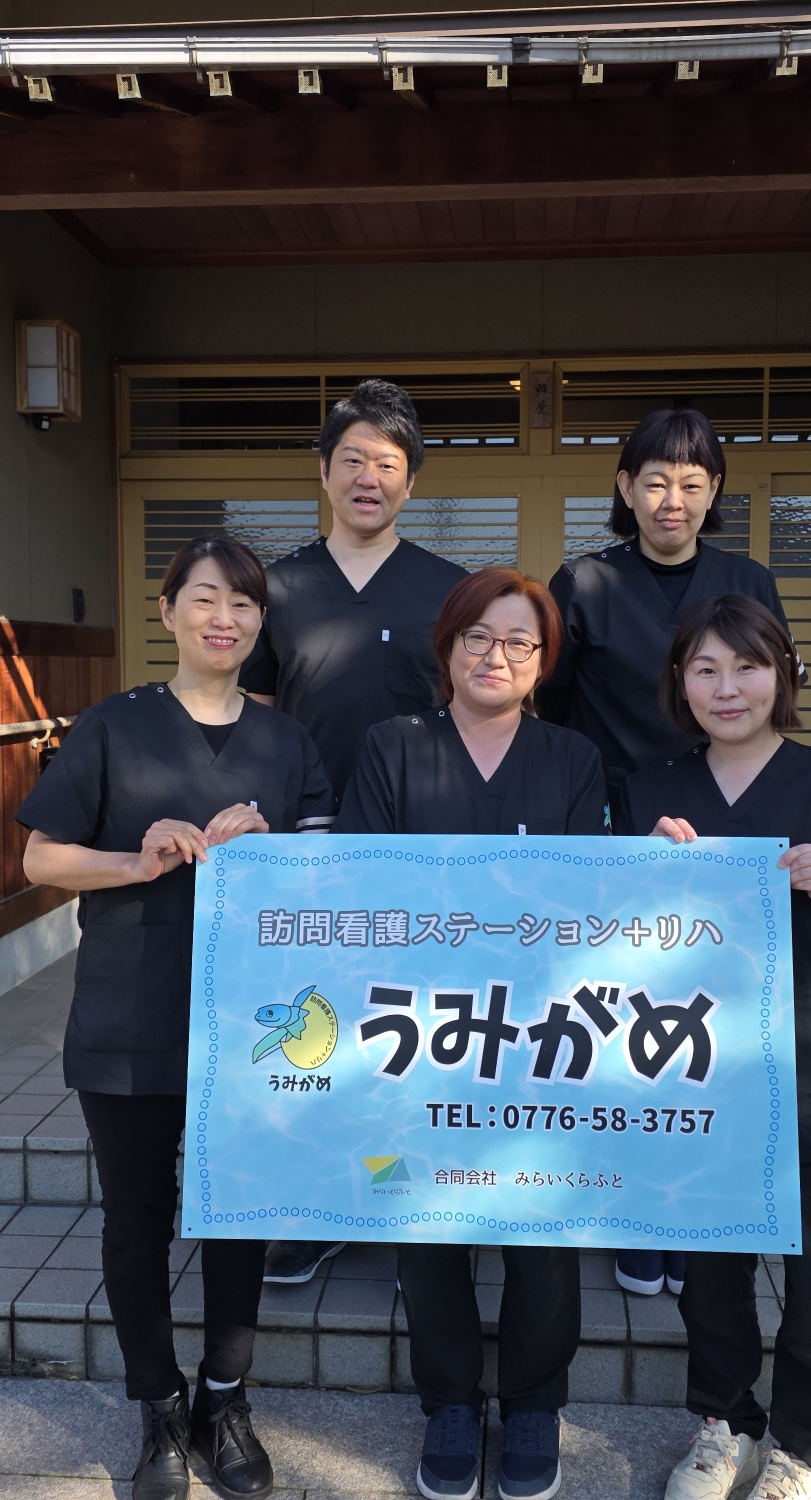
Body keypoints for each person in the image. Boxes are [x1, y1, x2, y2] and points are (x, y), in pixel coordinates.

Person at [17, 536, 336, 1500]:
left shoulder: (287, 742)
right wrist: (135, 859)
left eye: (242, 604)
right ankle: (157, 1405)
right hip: (130, 1011)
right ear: (167, 612)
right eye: (203, 599)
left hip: (255, 1026)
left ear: (260, 623)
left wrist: (270, 845)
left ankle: (223, 1402)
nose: (223, 619)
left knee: (240, 1215)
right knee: (137, 1222)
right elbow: (40, 857)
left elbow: (330, 879)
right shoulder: (113, 727)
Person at [614, 593, 811, 1500]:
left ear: (784, 674)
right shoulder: (648, 791)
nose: (727, 688)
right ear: (680, 682)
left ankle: (807, 1450)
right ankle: (726, 1428)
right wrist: (643, 873)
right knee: (710, 1264)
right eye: (705, 669)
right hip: (695, 1065)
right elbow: (604, 933)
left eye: (747, 667)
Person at [338, 567, 604, 1500]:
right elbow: (364, 889)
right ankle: (449, 1399)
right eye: (478, 637)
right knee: (426, 1216)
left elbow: (587, 899)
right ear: (447, 648)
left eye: (520, 642)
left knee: (543, 1221)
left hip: (538, 1033)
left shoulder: (572, 758)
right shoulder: (392, 747)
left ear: (544, 661)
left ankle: (533, 1403)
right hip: (421, 1031)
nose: (497, 656)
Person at [540, 405, 797, 1301]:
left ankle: (694, 1209)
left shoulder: (747, 579)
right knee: (620, 1021)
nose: (672, 500)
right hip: (620, 829)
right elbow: (552, 708)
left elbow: (765, 695)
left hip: (727, 822)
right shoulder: (583, 581)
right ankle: (631, 1211)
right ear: (625, 488)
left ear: (714, 490)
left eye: (691, 482)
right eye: (654, 481)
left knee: (705, 1027)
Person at [242, 378, 466, 1287]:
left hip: (424, 847)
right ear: (324, 471)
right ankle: (313, 1208)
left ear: (412, 480)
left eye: (388, 463)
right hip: (312, 848)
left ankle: (415, 1207)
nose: (369, 477)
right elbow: (254, 716)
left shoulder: (449, 589)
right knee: (322, 1039)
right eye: (352, 460)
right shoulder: (279, 586)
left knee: (415, 1034)